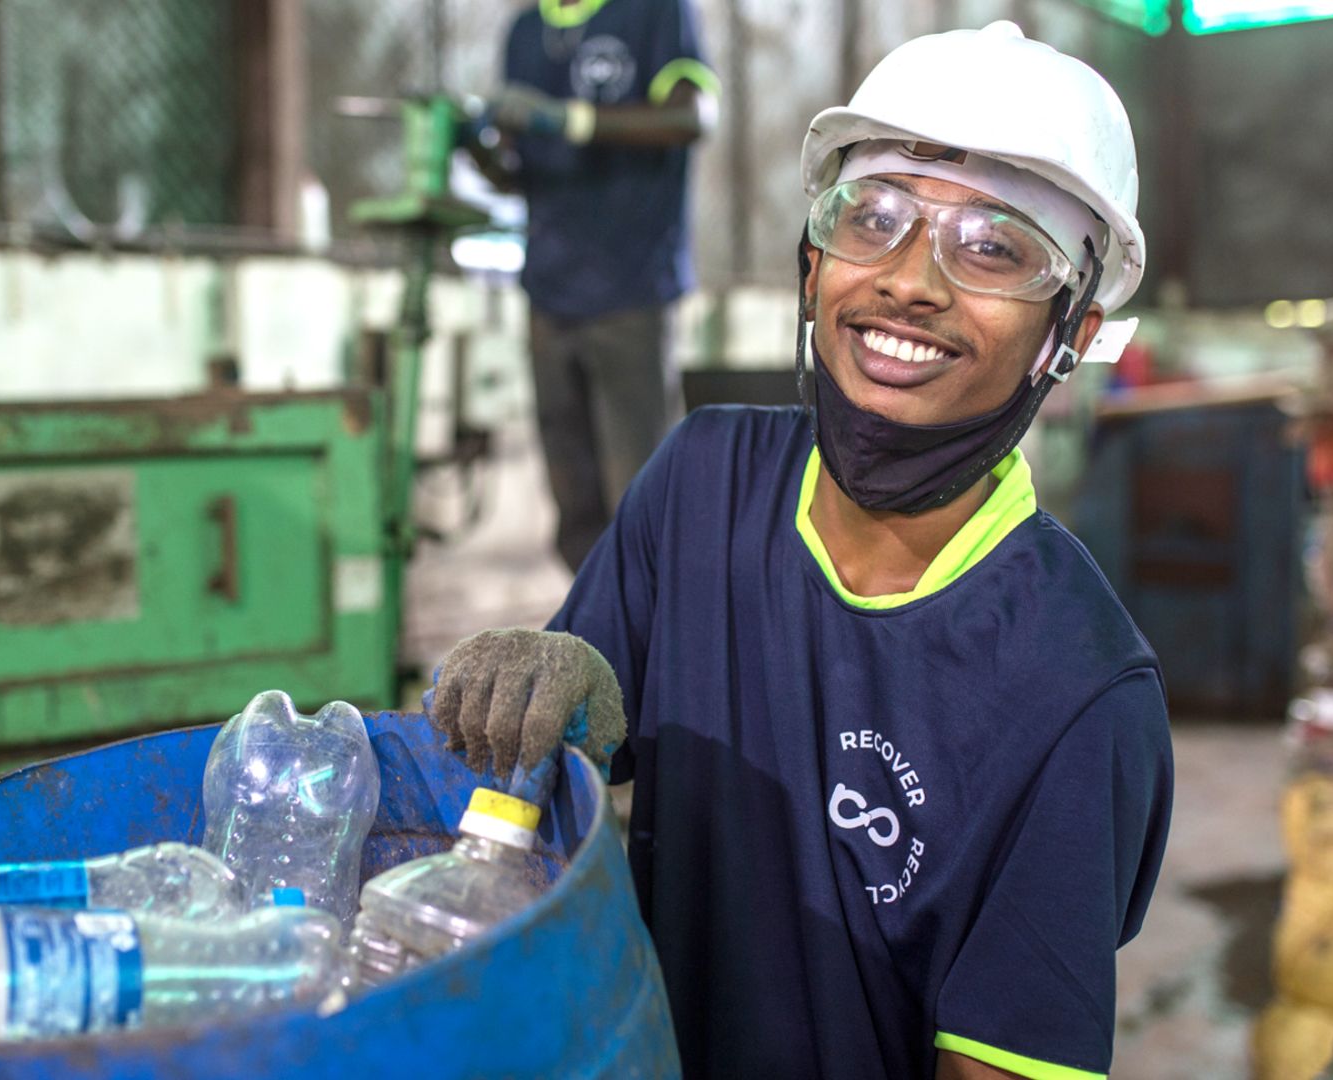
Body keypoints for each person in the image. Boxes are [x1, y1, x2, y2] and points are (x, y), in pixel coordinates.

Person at [432, 21, 1173, 1080]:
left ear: (1073, 328)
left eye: (993, 246)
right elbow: (567, 765)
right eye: (873, 217)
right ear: (814, 260)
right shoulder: (701, 480)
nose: (911, 281)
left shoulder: (1078, 693)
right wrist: (569, 699)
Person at [477, 0, 719, 572]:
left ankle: (660, 647)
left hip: (630, 291)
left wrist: (570, 119)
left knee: (643, 502)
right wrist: (477, 145)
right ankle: (596, 638)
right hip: (549, 293)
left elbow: (692, 118)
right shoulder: (526, 32)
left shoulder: (656, 12)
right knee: (575, 504)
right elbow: (519, 169)